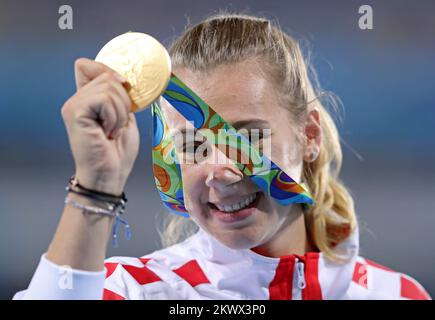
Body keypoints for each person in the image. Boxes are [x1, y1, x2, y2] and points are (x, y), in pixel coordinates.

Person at [13, 13, 430, 300]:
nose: (220, 170)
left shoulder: (394, 293)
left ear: (309, 134)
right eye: (193, 144)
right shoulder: (135, 289)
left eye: (248, 136)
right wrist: (96, 185)